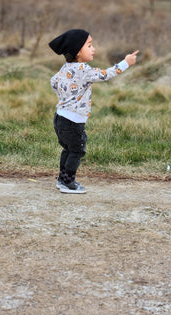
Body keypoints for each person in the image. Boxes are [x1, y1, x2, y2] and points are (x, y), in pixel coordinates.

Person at [49, 29, 139, 194]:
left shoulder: (65, 67)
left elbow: (53, 82)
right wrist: (126, 63)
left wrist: (64, 98)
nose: (93, 49)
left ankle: (62, 179)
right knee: (77, 150)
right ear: (77, 51)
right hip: (73, 121)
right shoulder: (83, 69)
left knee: (67, 149)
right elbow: (106, 74)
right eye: (89, 45)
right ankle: (68, 183)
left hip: (60, 117)